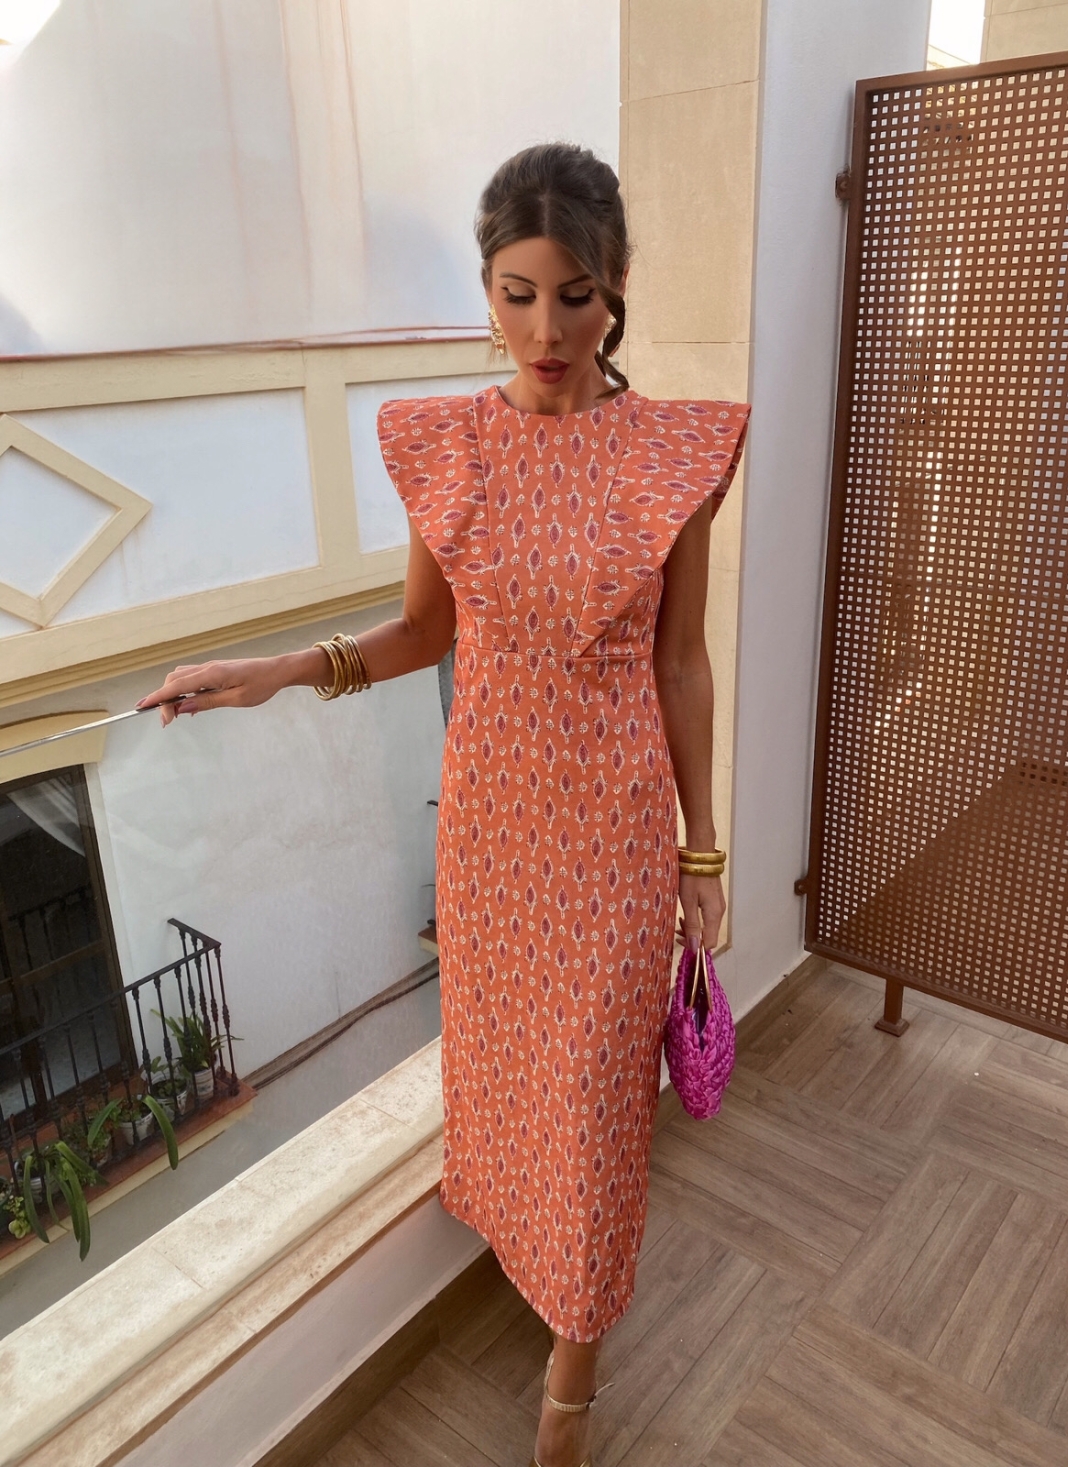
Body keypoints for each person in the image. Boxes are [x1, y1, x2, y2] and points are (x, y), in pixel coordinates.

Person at [139, 142, 749, 1467]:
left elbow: (682, 664)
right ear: (486, 292)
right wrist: (276, 673)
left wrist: (703, 853)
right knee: (518, 1085)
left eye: (575, 296)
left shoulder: (673, 455)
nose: (548, 331)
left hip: (616, 837)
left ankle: (571, 1381)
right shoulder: (445, 447)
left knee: (599, 1104)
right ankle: (541, 1283)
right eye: (518, 296)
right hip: (490, 834)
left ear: (618, 287)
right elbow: (424, 632)